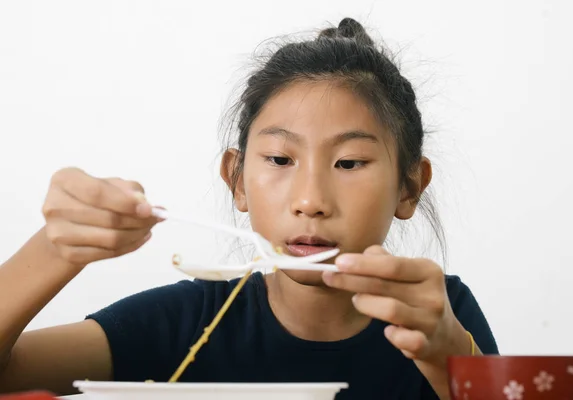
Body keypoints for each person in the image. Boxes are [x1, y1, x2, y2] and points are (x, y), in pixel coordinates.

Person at [0, 17, 498, 400]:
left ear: (409, 187)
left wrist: (448, 353)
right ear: (236, 179)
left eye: (349, 162)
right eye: (280, 159)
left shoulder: (441, 316)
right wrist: (56, 248)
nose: (310, 201)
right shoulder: (185, 322)